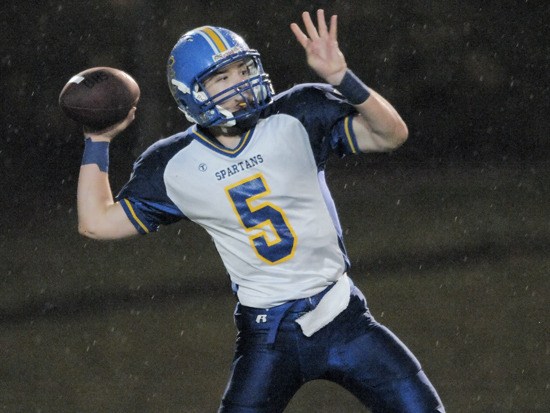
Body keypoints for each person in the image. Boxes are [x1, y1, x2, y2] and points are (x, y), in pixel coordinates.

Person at [76, 9, 445, 413]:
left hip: (343, 316)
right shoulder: (173, 165)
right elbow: (96, 223)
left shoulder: (297, 113)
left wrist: (342, 78)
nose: (240, 84)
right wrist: (98, 139)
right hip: (267, 336)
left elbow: (392, 134)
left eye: (242, 69)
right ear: (191, 94)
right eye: (222, 78)